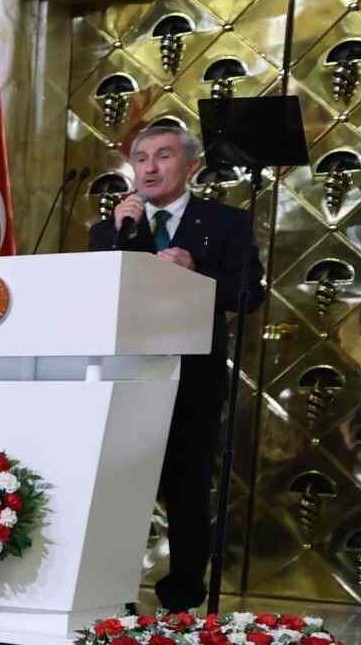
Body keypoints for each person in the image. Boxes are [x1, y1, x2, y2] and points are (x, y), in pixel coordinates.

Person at [90, 122, 263, 613]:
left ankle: (183, 597)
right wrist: (124, 237)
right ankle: (111, 590)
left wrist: (195, 273)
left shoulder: (226, 223)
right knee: (119, 485)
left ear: (190, 165)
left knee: (188, 488)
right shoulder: (109, 230)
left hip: (193, 378)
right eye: (141, 158)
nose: (149, 167)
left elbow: (248, 296)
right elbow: (99, 295)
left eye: (163, 156)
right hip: (124, 376)